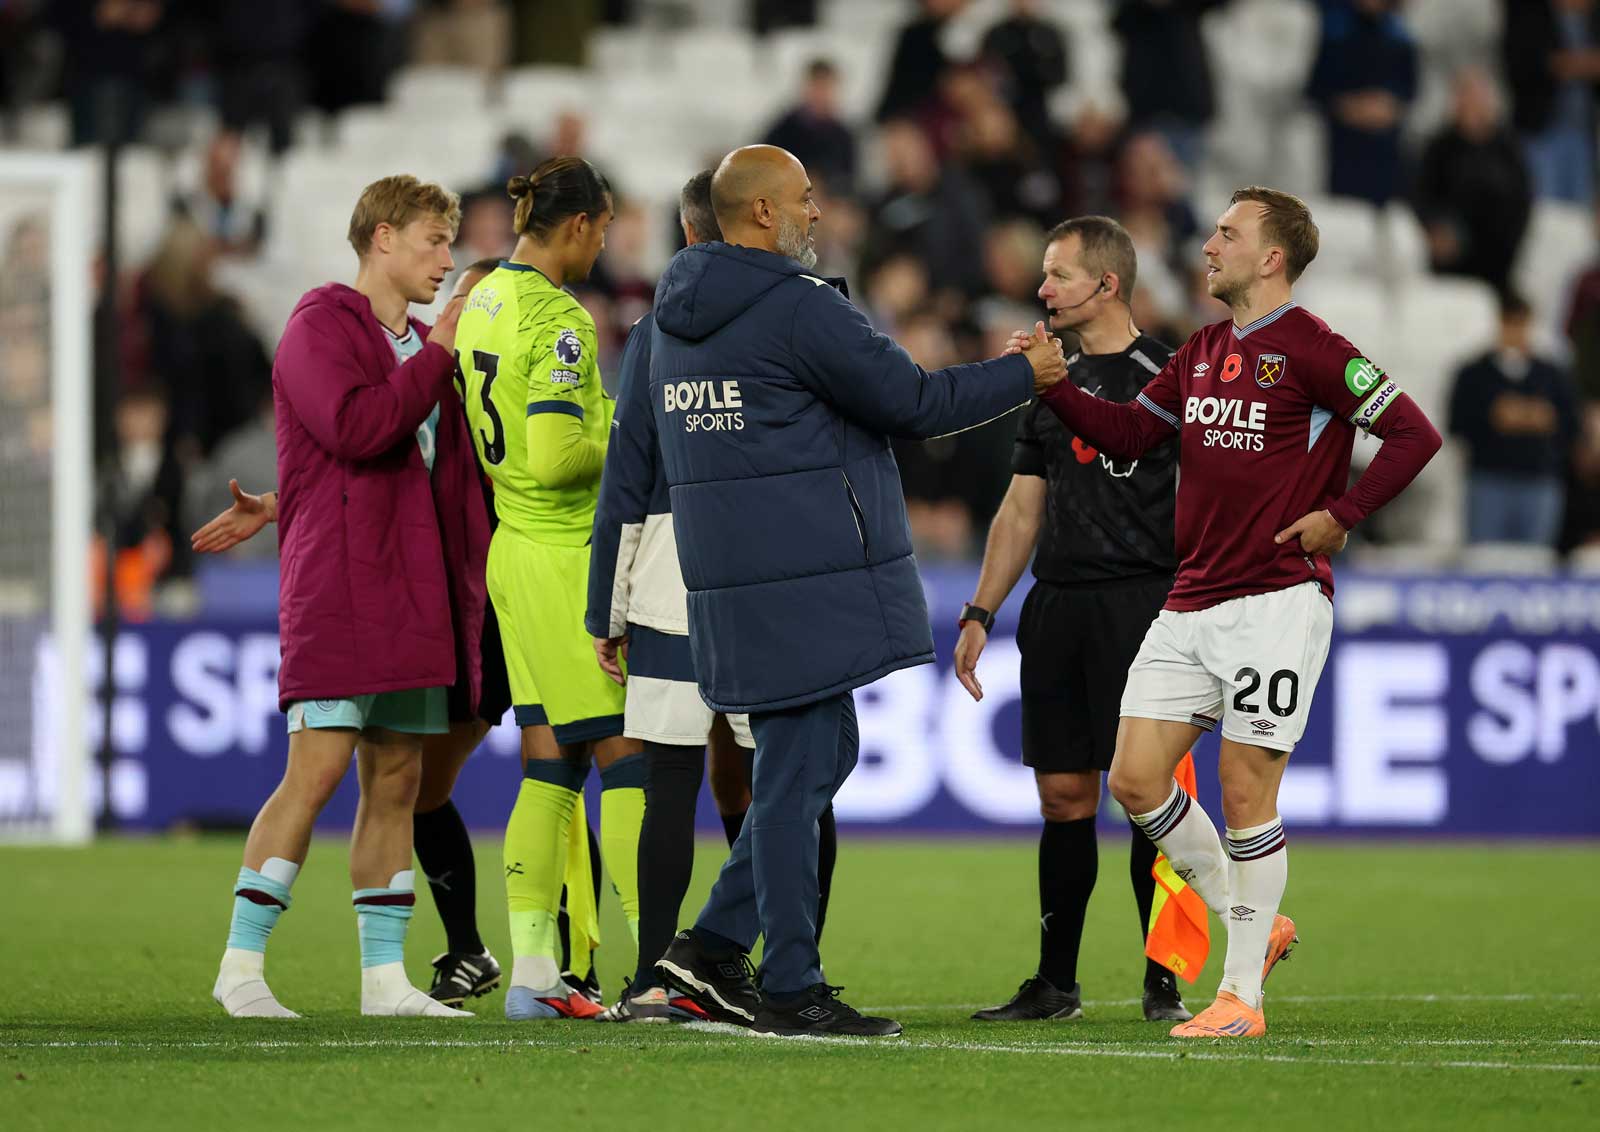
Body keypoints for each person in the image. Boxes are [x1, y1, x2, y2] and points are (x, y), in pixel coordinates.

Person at [647, 144, 1066, 1038]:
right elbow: (910, 402)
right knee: (798, 779)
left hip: (729, 578)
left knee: (821, 753)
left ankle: (712, 949)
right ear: (760, 213)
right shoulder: (793, 308)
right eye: (803, 198)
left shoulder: (672, 317)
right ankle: (791, 986)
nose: (817, 210)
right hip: (799, 577)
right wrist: (1019, 377)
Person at [1026, 186, 1442, 1038]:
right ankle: (1253, 918)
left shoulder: (1319, 350)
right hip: (1191, 597)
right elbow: (1133, 438)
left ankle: (1240, 997)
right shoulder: (1206, 349)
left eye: (1227, 233)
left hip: (1276, 600)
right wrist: (1059, 389)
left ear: (1272, 256)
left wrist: (1344, 515)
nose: (1209, 245)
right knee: (1134, 780)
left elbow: (1413, 434)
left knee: (1247, 790)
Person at [192, 258, 512, 1009]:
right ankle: (240, 968)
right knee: (316, 773)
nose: (444, 265)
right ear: (385, 238)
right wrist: (288, 503)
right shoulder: (341, 333)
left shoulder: (445, 362)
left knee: (400, 780)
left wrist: (281, 502)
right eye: (437, 246)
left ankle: (384, 979)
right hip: (346, 592)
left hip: (425, 594)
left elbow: (422, 471)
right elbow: (355, 432)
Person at [585, 170, 839, 1023]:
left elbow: (626, 479)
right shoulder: (791, 309)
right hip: (759, 578)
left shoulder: (659, 330)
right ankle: (782, 968)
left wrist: (604, 610)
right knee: (793, 783)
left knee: (669, 782)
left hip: (664, 578)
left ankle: (656, 973)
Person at [956, 216, 1190, 1025]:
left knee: (1147, 795)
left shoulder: (1171, 373)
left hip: (1145, 605)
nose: (1043, 288)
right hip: (1057, 607)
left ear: (1107, 284)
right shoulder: (1040, 377)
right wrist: (983, 608)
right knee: (1063, 796)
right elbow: (1022, 508)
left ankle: (1165, 979)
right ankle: (1056, 983)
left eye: (1057, 275)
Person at [453, 156, 645, 1022]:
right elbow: (558, 456)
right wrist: (631, 437)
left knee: (548, 768)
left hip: (512, 553)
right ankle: (660, 974)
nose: (604, 244)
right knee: (627, 758)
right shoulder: (559, 320)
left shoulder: (483, 294)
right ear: (578, 226)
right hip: (569, 556)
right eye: (602, 229)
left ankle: (534, 970)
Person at [1448, 291, 1580, 545]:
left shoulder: (1552, 374)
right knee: (1485, 559)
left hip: (1539, 480)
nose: (1516, 331)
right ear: (1498, 323)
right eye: (1510, 323)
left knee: (1536, 563)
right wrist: (1495, 417)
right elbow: (1457, 424)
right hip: (1488, 480)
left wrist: (1535, 419)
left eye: (1521, 323)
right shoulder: (1474, 373)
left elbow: (1570, 424)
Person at [1412, 68, 1532, 293]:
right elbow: (1421, 197)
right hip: (1450, 255)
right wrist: (1434, 229)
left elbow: (1522, 203)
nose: (1472, 106)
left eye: (1478, 99)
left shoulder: (1509, 149)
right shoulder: (1438, 148)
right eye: (1465, 97)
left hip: (1500, 258)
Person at [1306, 0, 1418, 207]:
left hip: (1386, 153)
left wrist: (1387, 109)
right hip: (1342, 150)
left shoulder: (1400, 36)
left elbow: (1409, 93)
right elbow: (1316, 90)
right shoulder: (1333, 32)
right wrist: (1354, 108)